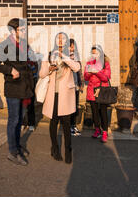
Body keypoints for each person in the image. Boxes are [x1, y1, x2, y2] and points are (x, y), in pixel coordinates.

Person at [0, 18, 35, 166]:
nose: (24, 32)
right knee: (13, 120)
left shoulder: (24, 44)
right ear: (13, 31)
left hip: (25, 87)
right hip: (13, 88)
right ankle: (12, 152)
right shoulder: (5, 46)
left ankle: (16, 145)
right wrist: (10, 70)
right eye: (21, 29)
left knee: (19, 121)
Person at [40, 32, 80, 164]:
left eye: (63, 39)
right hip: (53, 94)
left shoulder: (72, 54)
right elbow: (41, 74)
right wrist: (50, 69)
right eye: (59, 39)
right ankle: (55, 148)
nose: (61, 41)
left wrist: (63, 55)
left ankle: (68, 150)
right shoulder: (49, 54)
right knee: (53, 121)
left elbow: (77, 67)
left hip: (66, 94)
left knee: (67, 123)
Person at [84, 45, 112, 143]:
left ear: (100, 53)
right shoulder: (89, 63)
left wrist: (97, 71)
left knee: (103, 112)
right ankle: (97, 129)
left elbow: (106, 78)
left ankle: (105, 131)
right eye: (93, 53)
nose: (94, 55)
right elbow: (86, 77)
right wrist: (90, 72)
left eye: (96, 53)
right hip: (92, 90)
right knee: (94, 112)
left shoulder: (106, 63)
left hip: (102, 90)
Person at [69, 39, 83, 137]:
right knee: (68, 107)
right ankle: (68, 126)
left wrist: (81, 84)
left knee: (75, 107)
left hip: (76, 86)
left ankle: (73, 125)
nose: (72, 48)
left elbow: (79, 71)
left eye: (73, 46)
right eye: (70, 46)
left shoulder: (76, 56)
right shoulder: (65, 57)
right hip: (68, 86)